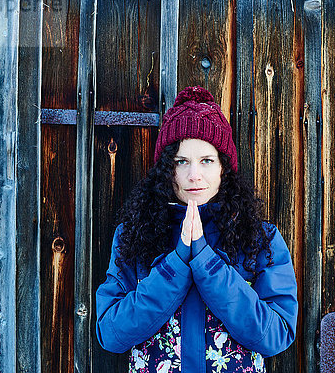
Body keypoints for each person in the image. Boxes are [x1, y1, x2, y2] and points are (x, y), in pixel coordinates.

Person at [96, 86, 298, 373]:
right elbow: (111, 334)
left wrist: (206, 261)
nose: (194, 175)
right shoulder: (134, 234)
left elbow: (277, 334)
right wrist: (176, 263)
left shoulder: (260, 238)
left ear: (223, 168)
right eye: (181, 162)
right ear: (167, 169)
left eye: (206, 160)